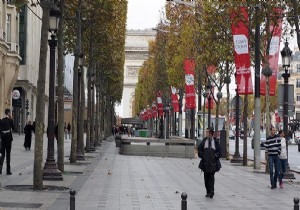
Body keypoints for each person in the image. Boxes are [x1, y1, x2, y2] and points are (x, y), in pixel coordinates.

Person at [198, 127, 222, 198]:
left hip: (213, 163)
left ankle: (211, 191)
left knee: (211, 177)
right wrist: (203, 156)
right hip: (205, 163)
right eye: (206, 132)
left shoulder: (216, 142)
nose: (206, 133)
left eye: (207, 132)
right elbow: (199, 150)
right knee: (206, 178)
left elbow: (220, 151)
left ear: (211, 133)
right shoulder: (204, 141)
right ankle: (208, 191)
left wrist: (215, 156)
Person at [0, 109, 15, 175]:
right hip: (8, 140)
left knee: (2, 154)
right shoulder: (10, 120)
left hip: (3, 140)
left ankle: (0, 169)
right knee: (8, 155)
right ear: (8, 113)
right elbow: (14, 128)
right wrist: (12, 120)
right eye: (10, 113)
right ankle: (8, 170)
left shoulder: (1, 120)